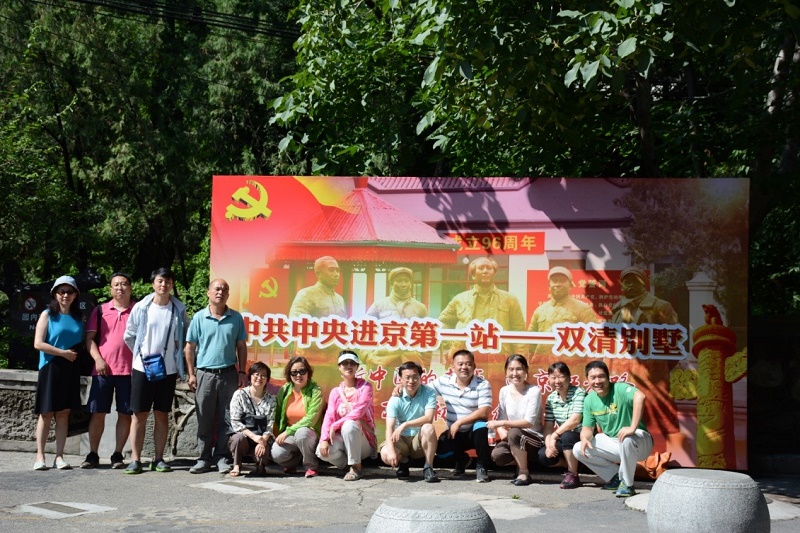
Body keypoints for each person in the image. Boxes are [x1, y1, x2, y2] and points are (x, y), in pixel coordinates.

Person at [609, 265, 685, 460]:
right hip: (621, 372)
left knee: (654, 419)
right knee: (623, 416)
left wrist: (658, 368)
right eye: (627, 281)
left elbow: (675, 341)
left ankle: (657, 460)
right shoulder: (617, 308)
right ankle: (626, 460)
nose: (630, 285)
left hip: (651, 374)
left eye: (635, 280)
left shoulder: (661, 306)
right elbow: (610, 341)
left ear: (645, 283)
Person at [123, 267, 189, 474]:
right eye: (160, 281)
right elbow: (129, 335)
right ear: (153, 283)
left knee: (162, 414)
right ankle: (135, 459)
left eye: (168, 281)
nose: (164, 285)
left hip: (168, 370)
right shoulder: (142, 307)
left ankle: (159, 458)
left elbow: (185, 336)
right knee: (139, 414)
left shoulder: (179, 309)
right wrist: (141, 355)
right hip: (142, 368)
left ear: (172, 284)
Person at [185, 278, 248, 474]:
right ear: (208, 292)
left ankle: (222, 457)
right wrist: (191, 373)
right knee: (204, 419)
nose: (220, 292)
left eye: (224, 290)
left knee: (226, 419)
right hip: (205, 374)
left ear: (228, 295)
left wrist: (242, 371)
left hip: (229, 374)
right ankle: (203, 458)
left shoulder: (236, 318)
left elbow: (241, 346)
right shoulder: (199, 317)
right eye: (217, 289)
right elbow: (190, 347)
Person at [438, 256, 525, 391]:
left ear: (494, 273)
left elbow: (519, 331)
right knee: (466, 397)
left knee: (497, 397)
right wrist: (452, 345)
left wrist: (520, 362)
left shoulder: (509, 300)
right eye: (481, 268)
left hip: (499, 360)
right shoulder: (460, 299)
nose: (485, 271)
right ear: (473, 274)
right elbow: (442, 323)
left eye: (488, 268)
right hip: (468, 361)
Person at [574, 360, 653, 497]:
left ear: (608, 377)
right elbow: (587, 427)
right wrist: (584, 438)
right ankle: (615, 476)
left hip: (639, 441)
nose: (597, 381)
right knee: (578, 449)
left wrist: (632, 427)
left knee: (627, 438)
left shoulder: (619, 388)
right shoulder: (589, 399)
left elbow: (640, 396)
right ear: (587, 380)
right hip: (616, 443)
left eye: (601, 376)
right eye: (593, 378)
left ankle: (627, 484)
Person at [80, 272, 135, 470]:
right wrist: (98, 359)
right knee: (97, 412)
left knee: (125, 413)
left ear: (130, 287)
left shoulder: (139, 310)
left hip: (130, 371)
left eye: (124, 284)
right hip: (103, 370)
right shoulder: (100, 310)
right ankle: (93, 454)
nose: (120, 288)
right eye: (116, 284)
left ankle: (118, 454)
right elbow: (89, 339)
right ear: (110, 289)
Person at [32, 275, 83, 471]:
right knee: (46, 413)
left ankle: (59, 456)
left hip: (71, 368)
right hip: (50, 366)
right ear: (55, 294)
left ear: (75, 295)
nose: (65, 295)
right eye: (61, 292)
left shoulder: (78, 317)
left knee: (63, 414)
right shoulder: (47, 314)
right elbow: (38, 343)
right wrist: (62, 353)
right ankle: (40, 456)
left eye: (69, 292)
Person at [430, 349, 492, 483]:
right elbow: (423, 390)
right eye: (460, 364)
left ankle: (481, 466)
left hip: (473, 432)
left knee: (481, 426)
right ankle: (462, 460)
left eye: (468, 364)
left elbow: (483, 411)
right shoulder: (444, 381)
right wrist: (401, 386)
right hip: (454, 432)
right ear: (453, 367)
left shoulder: (482, 384)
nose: (464, 367)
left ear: (474, 366)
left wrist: (459, 422)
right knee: (440, 451)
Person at [316, 351, 376, 480]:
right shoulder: (335, 392)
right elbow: (329, 416)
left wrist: (336, 425)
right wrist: (324, 439)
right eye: (345, 363)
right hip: (342, 439)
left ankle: (356, 467)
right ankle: (349, 465)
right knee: (321, 452)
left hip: (362, 441)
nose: (349, 366)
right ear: (339, 367)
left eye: (352, 363)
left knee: (349, 425)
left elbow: (358, 412)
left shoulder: (366, 388)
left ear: (357, 367)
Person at [288, 256, 347, 387]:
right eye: (331, 270)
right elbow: (296, 324)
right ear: (318, 273)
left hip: (335, 364)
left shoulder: (339, 299)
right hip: (314, 364)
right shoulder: (306, 294)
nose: (336, 274)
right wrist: (327, 341)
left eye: (337, 270)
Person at [487, 354, 544, 486]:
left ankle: (523, 472)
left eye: (519, 369)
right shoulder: (504, 391)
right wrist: (500, 429)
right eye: (511, 369)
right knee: (498, 455)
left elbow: (528, 422)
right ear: (506, 372)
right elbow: (501, 416)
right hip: (515, 437)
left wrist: (501, 424)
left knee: (514, 432)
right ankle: (523, 461)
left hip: (534, 438)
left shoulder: (534, 391)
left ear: (526, 371)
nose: (515, 373)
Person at [380, 361, 439, 483]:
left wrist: (405, 424)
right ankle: (404, 462)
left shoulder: (429, 393)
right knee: (385, 453)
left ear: (420, 377)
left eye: (415, 377)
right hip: (401, 439)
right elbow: (389, 427)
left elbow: (429, 418)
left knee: (428, 428)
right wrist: (391, 451)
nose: (411, 381)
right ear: (400, 379)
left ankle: (428, 467)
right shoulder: (395, 398)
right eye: (407, 377)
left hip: (419, 439)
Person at [364, 267, 428, 369]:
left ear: (410, 283)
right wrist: (368, 357)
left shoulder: (420, 308)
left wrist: (424, 362)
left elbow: (427, 337)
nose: (403, 284)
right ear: (392, 283)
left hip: (411, 361)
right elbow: (364, 332)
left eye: (406, 281)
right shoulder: (379, 305)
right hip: (382, 360)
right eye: (399, 281)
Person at [527, 267, 598, 359]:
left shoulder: (583, 309)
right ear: (549, 285)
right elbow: (530, 342)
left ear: (571, 285)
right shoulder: (540, 310)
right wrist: (530, 363)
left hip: (570, 365)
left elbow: (593, 341)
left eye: (562, 281)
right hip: (542, 365)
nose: (557, 284)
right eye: (554, 281)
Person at [272, 357, 324, 477]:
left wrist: (287, 432)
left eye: (302, 371)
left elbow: (311, 418)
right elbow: (278, 415)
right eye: (294, 372)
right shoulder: (284, 390)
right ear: (289, 374)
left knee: (302, 433)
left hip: (309, 433)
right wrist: (277, 434)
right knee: (277, 454)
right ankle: (293, 462)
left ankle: (310, 466)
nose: (298, 375)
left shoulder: (316, 391)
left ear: (308, 373)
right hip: (290, 434)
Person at [538, 361, 586, 489]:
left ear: (569, 378)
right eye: (553, 377)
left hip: (582, 436)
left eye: (561, 377)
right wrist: (549, 445)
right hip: (564, 438)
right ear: (548, 379)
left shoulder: (579, 393)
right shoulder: (551, 398)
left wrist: (555, 435)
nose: (557, 381)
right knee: (543, 456)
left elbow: (575, 420)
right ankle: (576, 464)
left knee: (567, 436)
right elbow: (548, 426)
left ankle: (572, 474)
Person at [227, 361, 277, 477]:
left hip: (261, 436)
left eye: (263, 375)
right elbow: (235, 421)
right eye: (256, 374)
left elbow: (270, 423)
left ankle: (260, 465)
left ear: (267, 379)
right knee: (237, 438)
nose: (259, 378)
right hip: (245, 436)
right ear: (250, 376)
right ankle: (236, 464)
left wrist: (262, 441)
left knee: (263, 452)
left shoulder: (271, 399)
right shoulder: (239, 394)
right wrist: (254, 437)